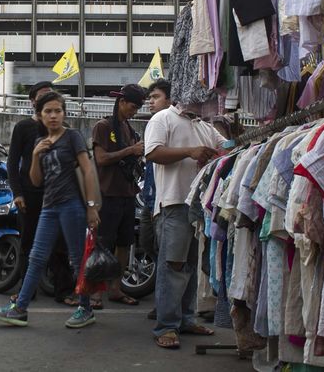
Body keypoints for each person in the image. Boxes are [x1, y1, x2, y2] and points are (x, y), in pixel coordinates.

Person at [0, 91, 101, 329]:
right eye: (48, 112)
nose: (53, 116)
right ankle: (20, 308)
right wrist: (35, 153)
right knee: (36, 257)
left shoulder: (72, 137)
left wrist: (91, 207)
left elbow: (88, 170)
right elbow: (36, 180)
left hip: (72, 205)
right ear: (39, 115)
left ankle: (85, 308)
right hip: (49, 206)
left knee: (76, 258)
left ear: (64, 113)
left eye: (57, 111)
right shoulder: (40, 142)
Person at [144, 90, 226, 349]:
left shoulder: (204, 125)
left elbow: (225, 147)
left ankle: (186, 319)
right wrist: (191, 151)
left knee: (190, 265)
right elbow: (153, 153)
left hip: (198, 206)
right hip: (173, 202)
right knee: (174, 265)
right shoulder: (162, 119)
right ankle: (166, 326)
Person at [7, 81, 74, 304]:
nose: (52, 112)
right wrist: (17, 193)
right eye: (43, 97)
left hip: (58, 195)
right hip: (30, 195)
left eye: (56, 107)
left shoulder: (65, 132)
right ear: (33, 102)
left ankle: (63, 291)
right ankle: (27, 291)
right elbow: (13, 162)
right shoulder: (23, 127)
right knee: (28, 244)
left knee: (61, 244)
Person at [91, 83, 145, 308]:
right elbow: (101, 159)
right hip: (108, 193)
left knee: (124, 243)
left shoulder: (129, 129)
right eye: (133, 106)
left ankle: (115, 288)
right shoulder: (103, 126)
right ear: (121, 102)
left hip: (128, 193)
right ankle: (95, 292)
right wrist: (130, 151)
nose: (135, 111)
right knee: (102, 244)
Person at [141, 79, 174, 321]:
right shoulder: (157, 124)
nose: (151, 102)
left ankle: (164, 311)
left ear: (170, 99)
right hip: (151, 199)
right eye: (150, 98)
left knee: (165, 256)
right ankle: (163, 303)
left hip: (163, 201)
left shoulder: (169, 124)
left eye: (156, 97)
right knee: (151, 247)